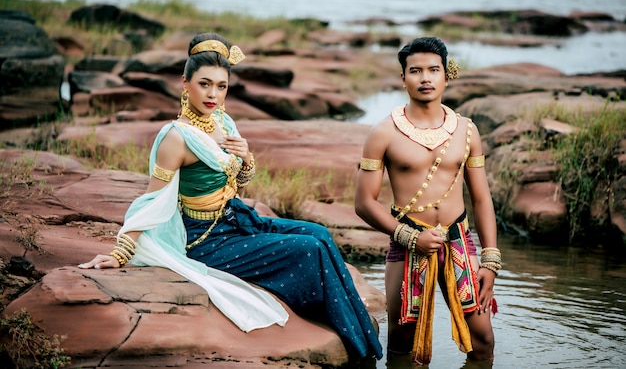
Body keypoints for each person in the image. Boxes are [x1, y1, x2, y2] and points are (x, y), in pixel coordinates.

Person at [78, 32, 383, 361]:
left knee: (319, 233)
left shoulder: (222, 120)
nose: (213, 94)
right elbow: (152, 199)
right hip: (205, 240)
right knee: (308, 248)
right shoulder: (175, 138)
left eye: (221, 86)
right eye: (204, 84)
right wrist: (121, 252)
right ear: (185, 83)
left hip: (235, 219)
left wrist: (246, 155)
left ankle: (354, 322)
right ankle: (354, 342)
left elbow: (241, 179)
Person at [354, 37, 500, 365]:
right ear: (402, 78)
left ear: (447, 76)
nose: (425, 78)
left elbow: (481, 198)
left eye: (434, 70)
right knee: (404, 346)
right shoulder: (383, 133)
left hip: (460, 243)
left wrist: (490, 260)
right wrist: (411, 237)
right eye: (415, 70)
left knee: (484, 340)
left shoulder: (466, 130)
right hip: (407, 246)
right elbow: (364, 202)